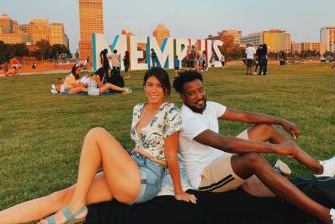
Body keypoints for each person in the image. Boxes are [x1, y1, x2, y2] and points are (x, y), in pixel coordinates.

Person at [173, 70, 335, 224]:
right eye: (192, 94)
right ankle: (332, 218)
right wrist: (276, 149)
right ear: (183, 97)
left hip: (220, 160)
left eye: (201, 89)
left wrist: (280, 120)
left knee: (264, 128)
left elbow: (245, 116)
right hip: (205, 177)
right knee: (252, 158)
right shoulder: (186, 119)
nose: (199, 96)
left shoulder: (209, 107)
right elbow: (226, 143)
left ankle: (320, 168)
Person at [0, 67, 196, 224]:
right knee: (61, 196)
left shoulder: (170, 112)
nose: (153, 90)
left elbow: (171, 155)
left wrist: (178, 191)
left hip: (145, 179)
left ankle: (77, 208)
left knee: (97, 134)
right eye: (150, 84)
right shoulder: (138, 109)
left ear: (166, 90)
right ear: (144, 86)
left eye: (159, 86)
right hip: (129, 167)